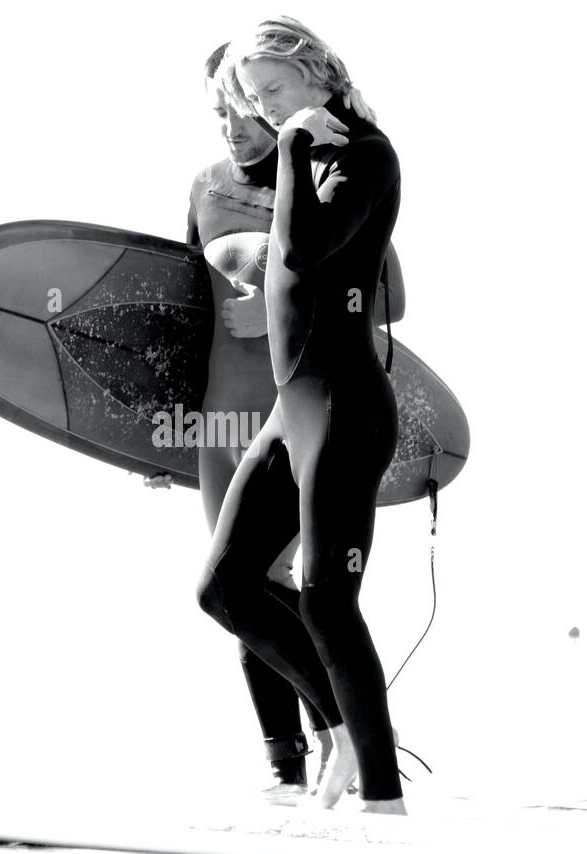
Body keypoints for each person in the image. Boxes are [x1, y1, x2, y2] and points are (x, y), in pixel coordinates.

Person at [196, 17, 406, 813]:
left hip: (347, 403)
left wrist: (289, 150)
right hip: (294, 406)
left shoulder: (363, 154)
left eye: (274, 90)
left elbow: (303, 253)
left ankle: (385, 803)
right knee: (225, 590)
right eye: (253, 96)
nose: (265, 106)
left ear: (318, 71)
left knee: (325, 598)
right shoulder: (307, 151)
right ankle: (344, 729)